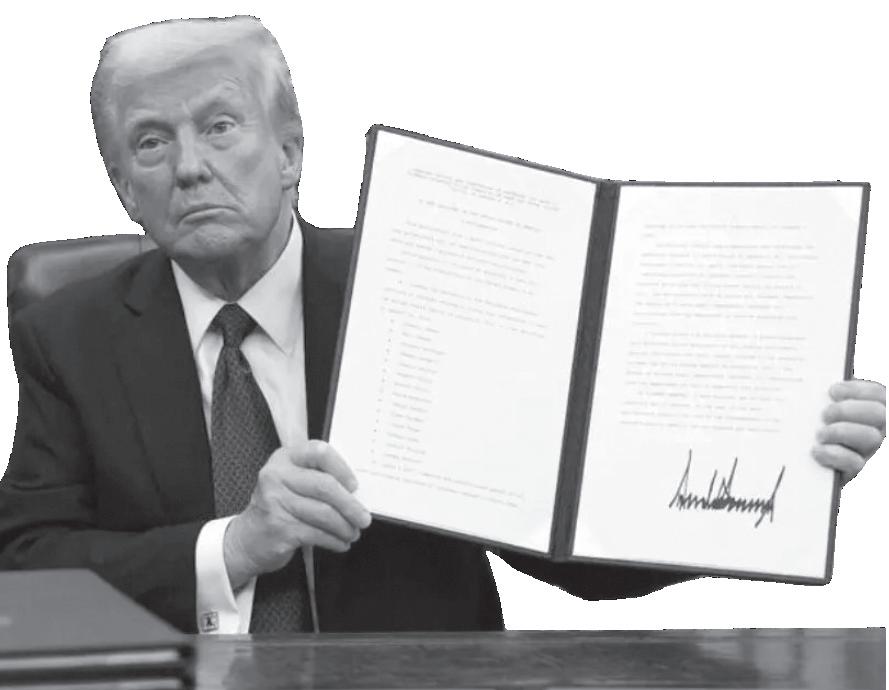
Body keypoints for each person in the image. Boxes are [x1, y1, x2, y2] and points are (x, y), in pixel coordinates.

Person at [0, 16, 884, 634]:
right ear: (123, 186)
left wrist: (780, 478)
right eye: (151, 142)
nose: (190, 167)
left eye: (220, 126)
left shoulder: (425, 286)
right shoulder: (68, 334)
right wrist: (232, 546)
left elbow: (572, 546)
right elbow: (25, 574)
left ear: (291, 151)